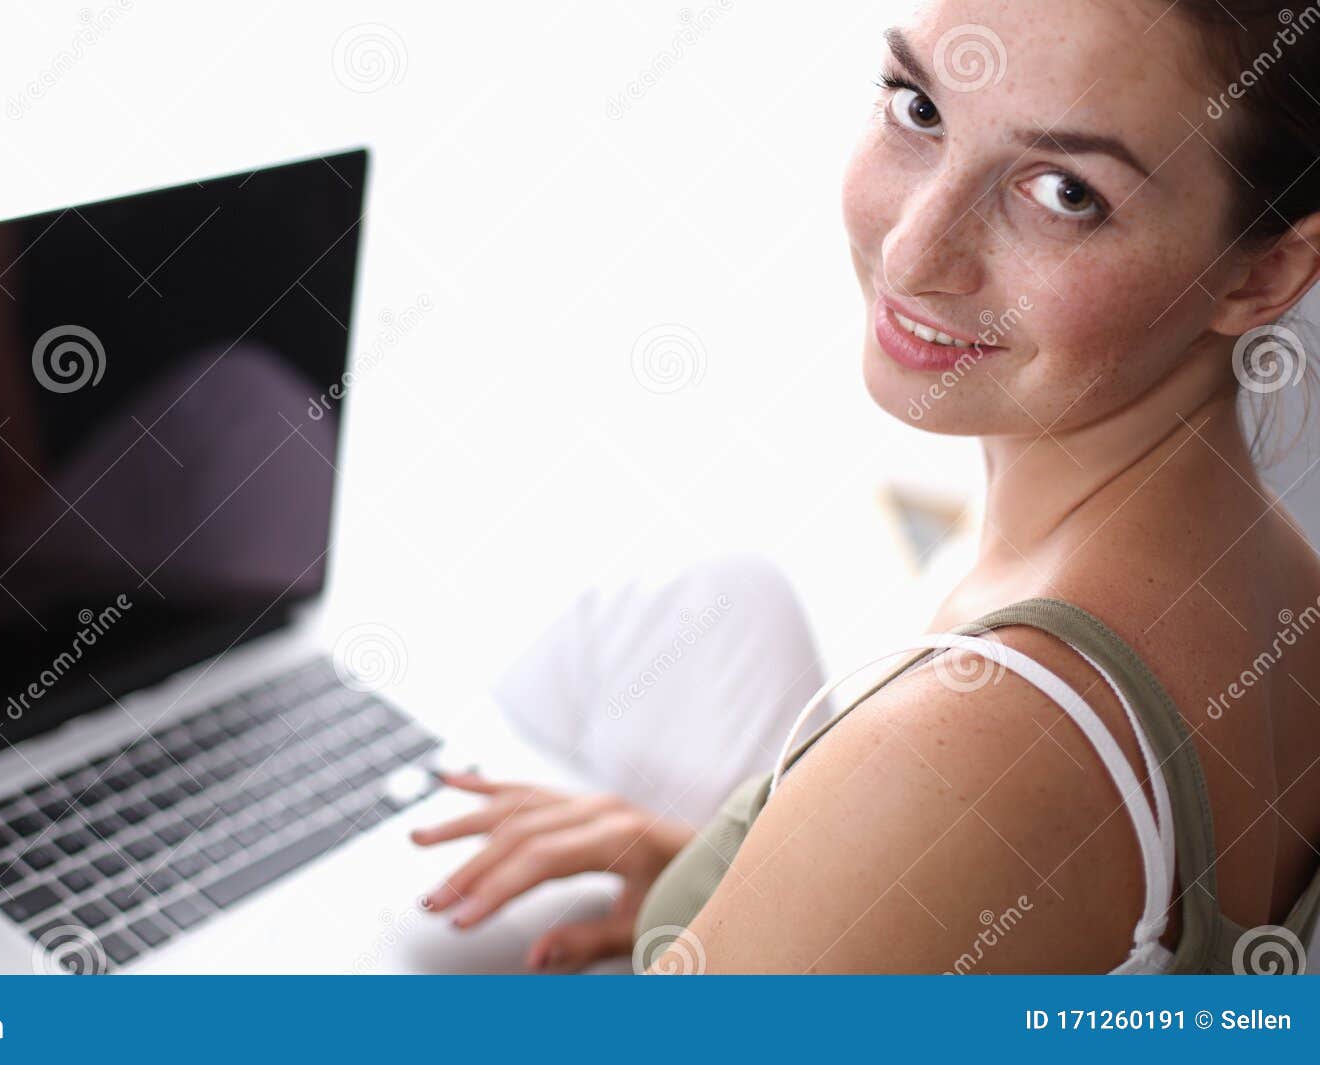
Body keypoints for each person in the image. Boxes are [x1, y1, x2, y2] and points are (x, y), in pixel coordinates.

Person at [411, 0, 1320, 974]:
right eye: (920, 108)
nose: (913, 254)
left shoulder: (966, 752)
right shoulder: (1280, 578)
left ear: (1262, 275)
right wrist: (777, 882)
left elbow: (989, 817)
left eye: (1063, 192)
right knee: (714, 602)